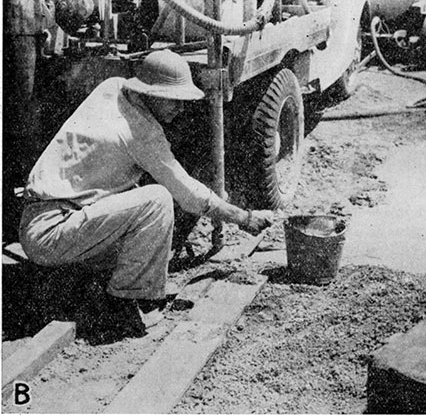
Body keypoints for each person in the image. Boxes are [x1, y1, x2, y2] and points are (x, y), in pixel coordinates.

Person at [19, 50, 273, 338]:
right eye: (173, 100)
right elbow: (189, 195)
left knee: (134, 195)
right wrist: (244, 218)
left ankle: (93, 282)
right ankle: (121, 308)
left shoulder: (114, 87)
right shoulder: (141, 132)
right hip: (50, 232)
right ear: (150, 92)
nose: (180, 109)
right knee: (156, 200)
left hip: (44, 216)